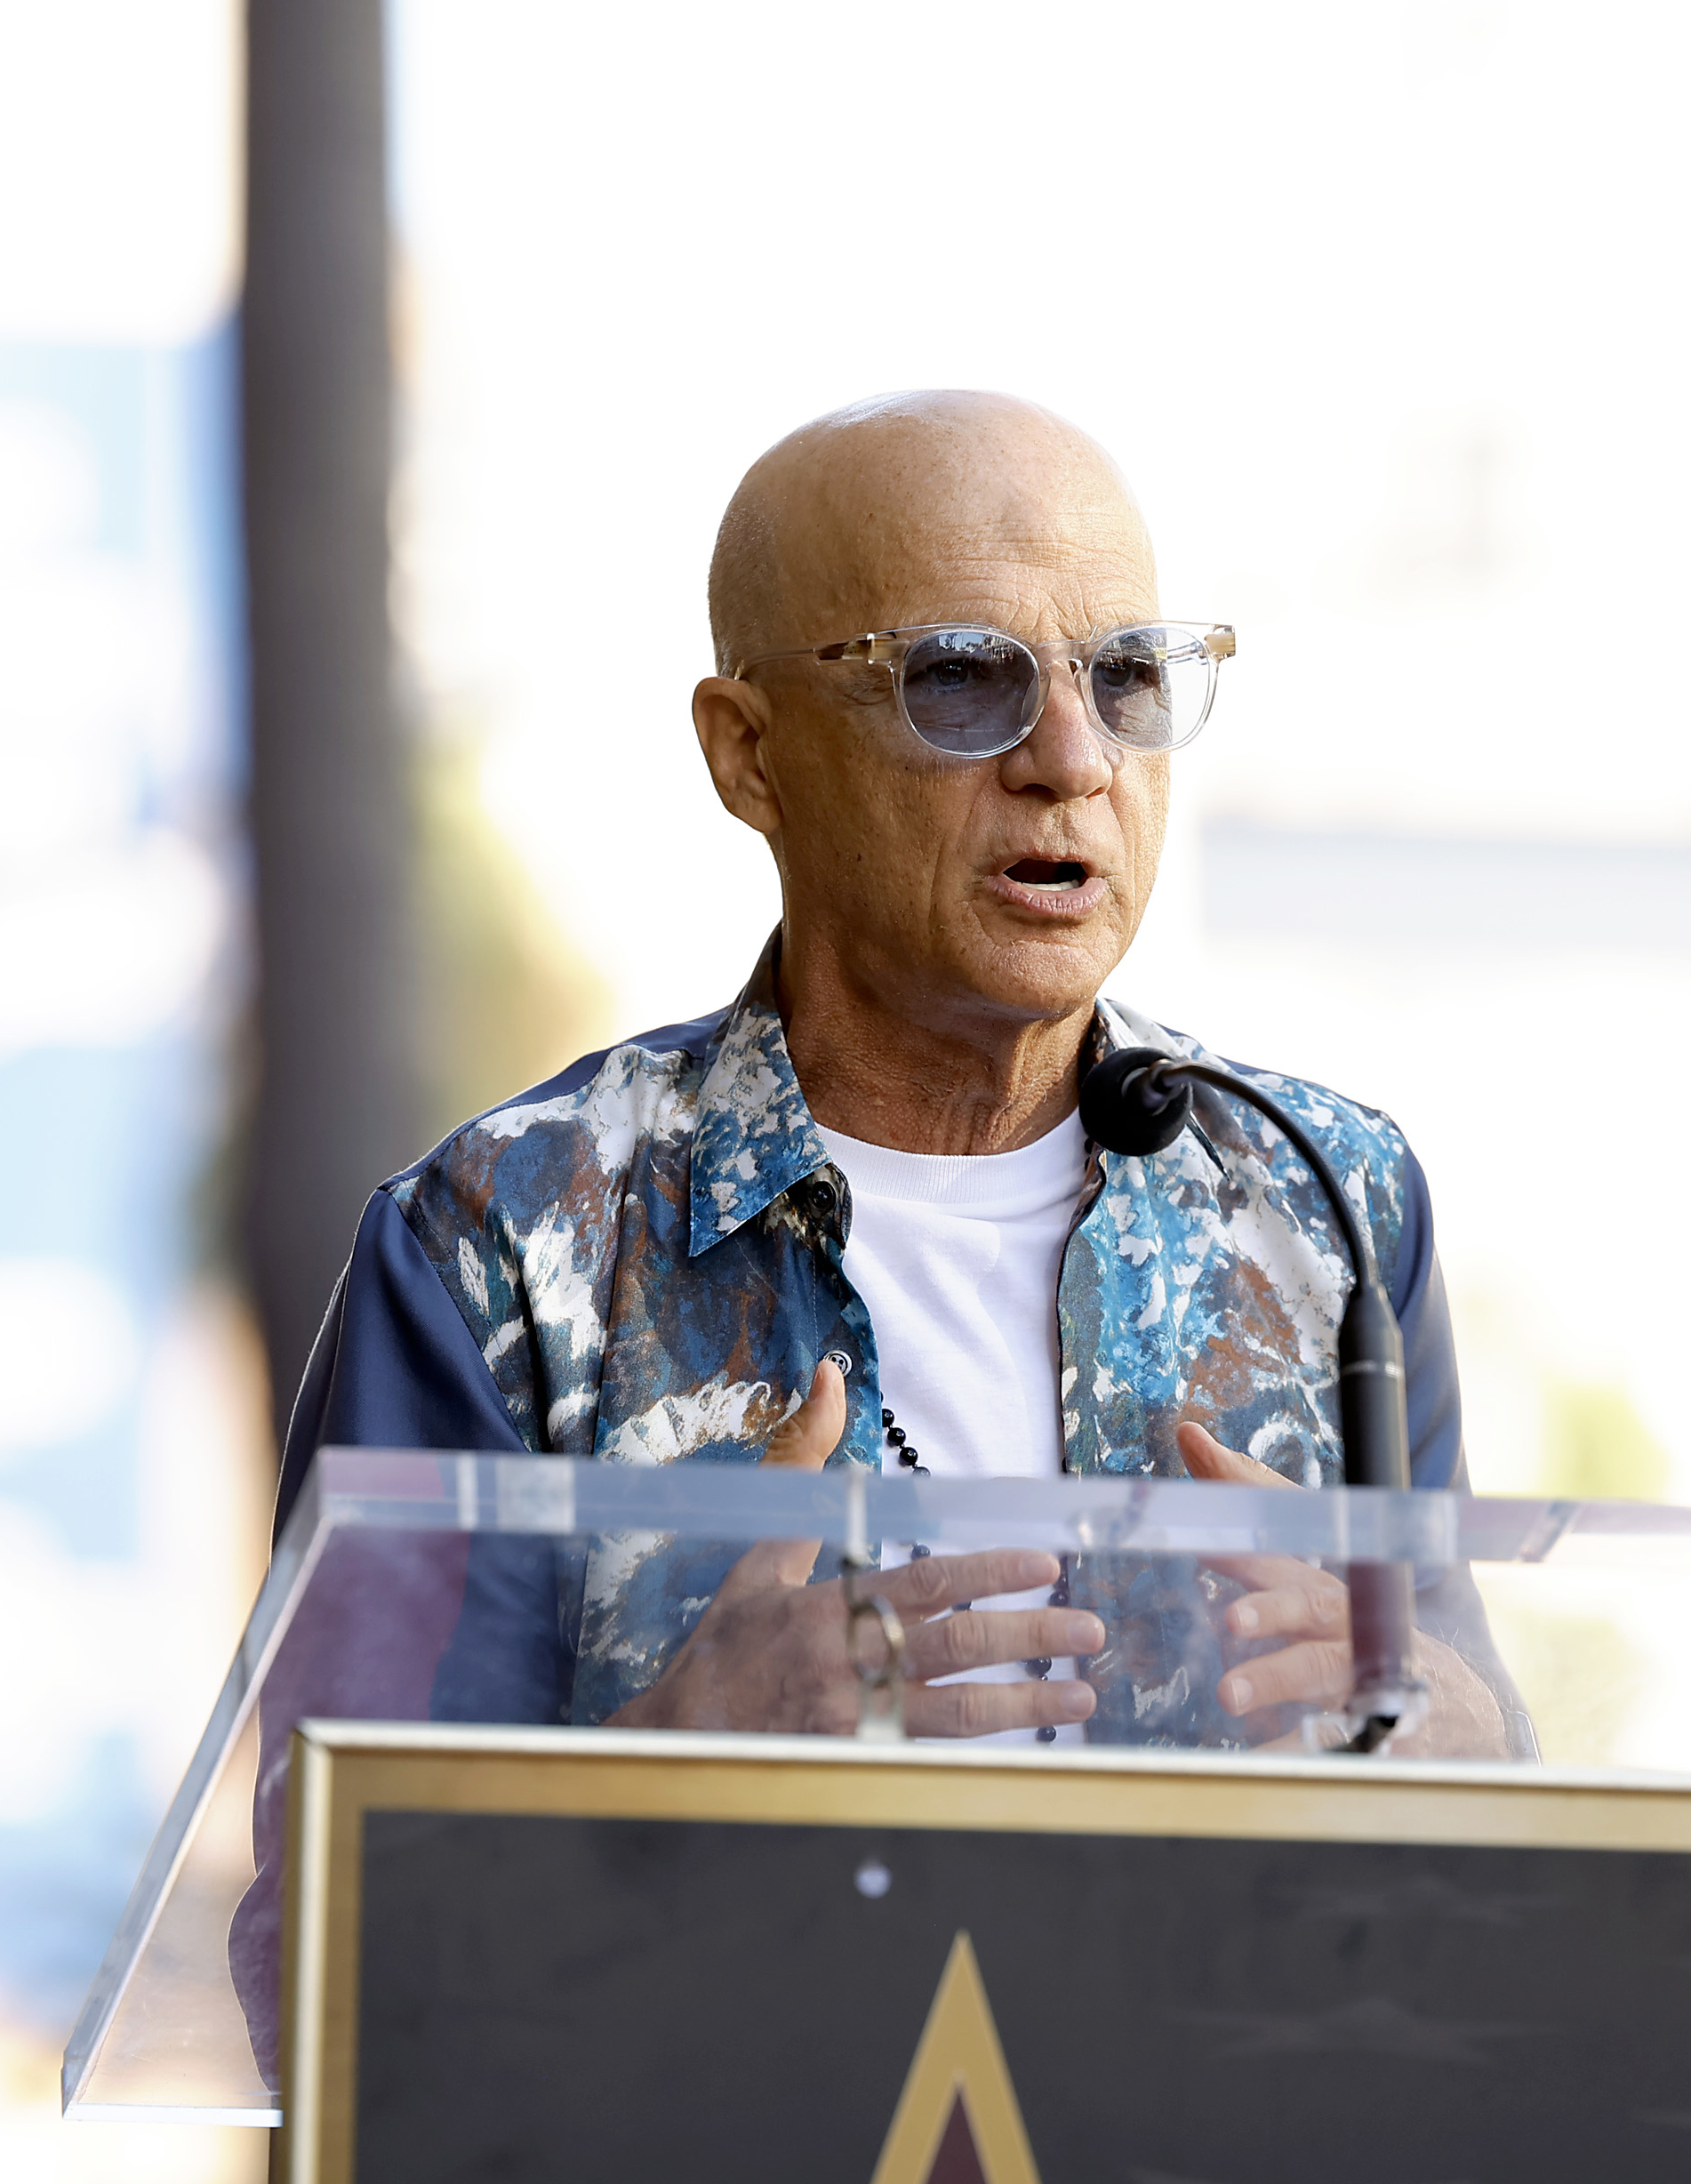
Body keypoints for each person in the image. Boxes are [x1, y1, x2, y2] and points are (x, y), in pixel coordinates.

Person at [275, 389, 1525, 1759]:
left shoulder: (1333, 1204)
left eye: (1128, 679)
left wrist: (1453, 1736)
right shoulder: (501, 1246)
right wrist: (669, 1762)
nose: (1072, 761)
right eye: (963, 681)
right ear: (751, 754)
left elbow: (1480, 1788)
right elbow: (332, 1928)